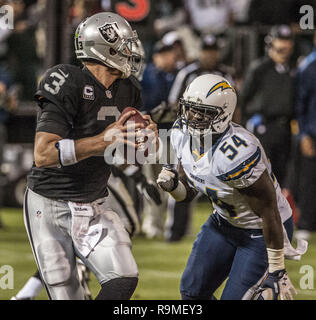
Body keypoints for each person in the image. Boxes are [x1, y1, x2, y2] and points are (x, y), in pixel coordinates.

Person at [23, 12, 159, 300]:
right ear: (103, 48)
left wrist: (145, 143)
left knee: (123, 279)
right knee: (66, 293)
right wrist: (100, 142)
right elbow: (44, 153)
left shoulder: (128, 88)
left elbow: (125, 152)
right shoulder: (65, 80)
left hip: (93, 202)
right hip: (49, 205)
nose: (131, 52)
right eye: (124, 46)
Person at [157, 74, 307, 300]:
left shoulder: (237, 152)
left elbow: (269, 210)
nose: (193, 116)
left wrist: (277, 269)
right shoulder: (180, 134)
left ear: (222, 114)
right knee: (191, 293)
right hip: (223, 222)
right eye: (190, 108)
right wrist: (173, 187)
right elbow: (189, 194)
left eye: (203, 112)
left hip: (260, 230)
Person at [240, 25, 295, 188]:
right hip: (263, 126)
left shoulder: (292, 69)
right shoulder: (259, 68)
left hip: (284, 128)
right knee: (261, 176)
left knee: (281, 176)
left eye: (287, 41)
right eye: (281, 40)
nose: (284, 45)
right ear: (271, 43)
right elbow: (243, 99)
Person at [295, 31, 316, 240]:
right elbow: (299, 104)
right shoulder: (309, 67)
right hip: (313, 132)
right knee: (310, 179)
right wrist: (303, 134)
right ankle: (306, 223)